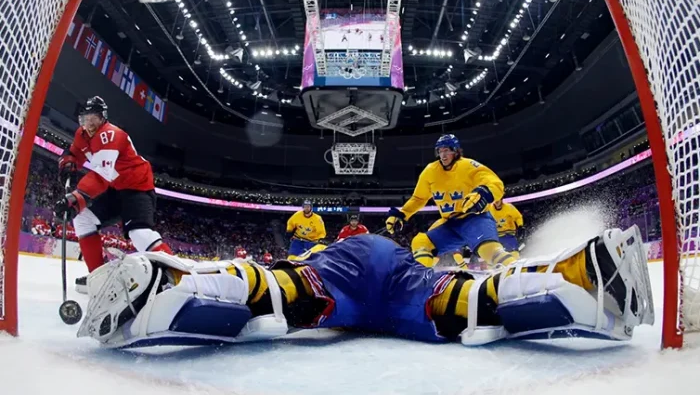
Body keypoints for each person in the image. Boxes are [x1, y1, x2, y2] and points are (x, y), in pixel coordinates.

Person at [77, 225, 654, 350]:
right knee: (466, 303)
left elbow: (291, 265)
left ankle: (165, 279)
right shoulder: (404, 243)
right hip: (397, 270)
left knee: (280, 291)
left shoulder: (321, 244)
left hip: (345, 271)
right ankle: (588, 269)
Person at [55, 96, 172, 293]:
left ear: (103, 119)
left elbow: (101, 176)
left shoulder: (110, 134)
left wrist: (76, 198)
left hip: (137, 188)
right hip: (115, 188)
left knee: (140, 235)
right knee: (83, 219)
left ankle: (177, 276)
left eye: (94, 119)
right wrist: (68, 161)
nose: (89, 124)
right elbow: (75, 152)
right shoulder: (82, 134)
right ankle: (100, 277)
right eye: (85, 120)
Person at [385, 134, 516, 268]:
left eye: (446, 150)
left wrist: (484, 193)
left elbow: (495, 183)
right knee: (421, 242)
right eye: (440, 151)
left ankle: (516, 269)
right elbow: (419, 198)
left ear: (456, 151)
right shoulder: (430, 171)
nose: (443, 155)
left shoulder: (468, 165)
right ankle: (421, 278)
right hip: (451, 224)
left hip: (475, 219)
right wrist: (402, 214)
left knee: (489, 250)